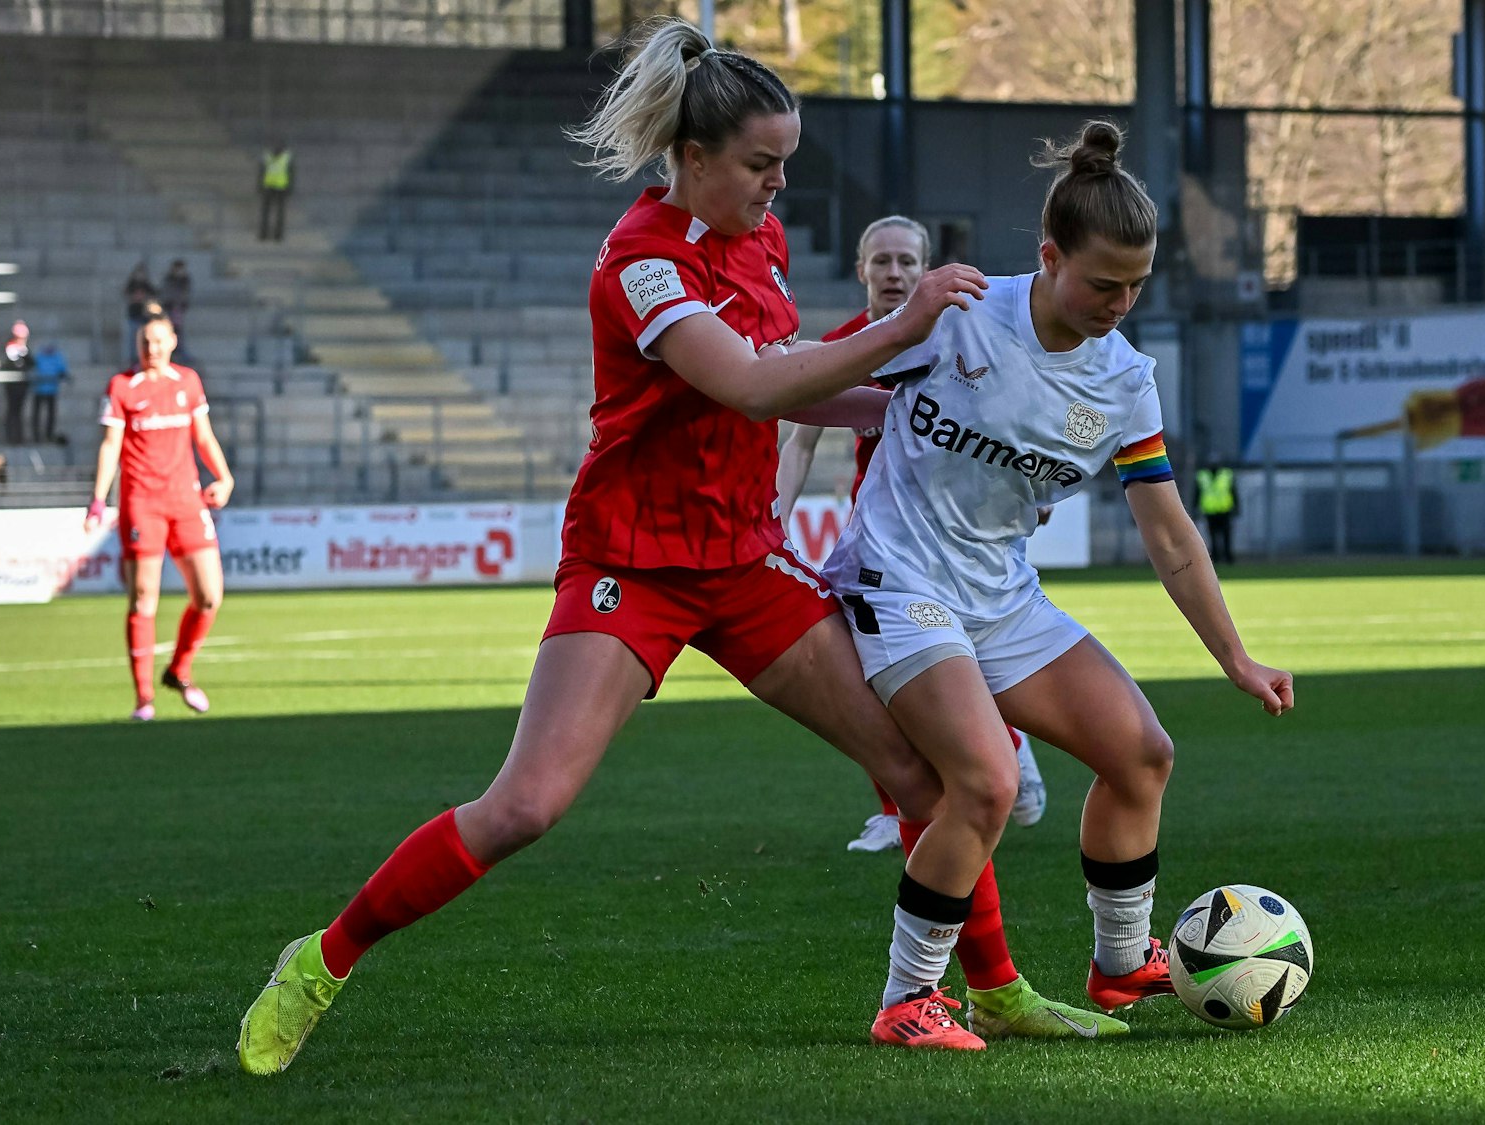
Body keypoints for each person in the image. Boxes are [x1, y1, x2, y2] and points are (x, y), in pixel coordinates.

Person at [234, 20, 1105, 1077]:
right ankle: (320, 962)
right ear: (691, 160)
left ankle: (989, 988)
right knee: (524, 807)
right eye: (758, 164)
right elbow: (745, 382)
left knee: (922, 772)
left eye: (784, 163)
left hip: (740, 560)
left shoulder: (759, 239)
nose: (778, 185)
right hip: (630, 564)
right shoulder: (639, 263)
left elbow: (789, 372)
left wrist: (910, 405)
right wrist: (904, 323)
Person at [824, 121, 1295, 1051]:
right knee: (987, 782)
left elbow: (1169, 532)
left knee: (1143, 753)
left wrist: (1235, 657)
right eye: (1102, 281)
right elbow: (808, 380)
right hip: (900, 576)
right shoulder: (958, 314)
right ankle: (908, 998)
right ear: (1047, 257)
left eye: (1137, 285)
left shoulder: (1126, 381)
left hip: (1000, 596)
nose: (1120, 302)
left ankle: (1121, 965)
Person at [775, 215, 1047, 855]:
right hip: (885, 544)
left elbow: (1009, 421)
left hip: (961, 534)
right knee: (872, 671)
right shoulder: (845, 344)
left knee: (963, 662)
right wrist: (776, 516)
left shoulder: (962, 335)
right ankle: (900, 808)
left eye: (906, 261)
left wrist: (1032, 487)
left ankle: (1008, 744)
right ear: (861, 270)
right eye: (882, 261)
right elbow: (801, 440)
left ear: (925, 270)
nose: (894, 273)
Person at [84, 311, 234, 722]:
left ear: (172, 341)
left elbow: (203, 436)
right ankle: (144, 699)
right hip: (143, 504)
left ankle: (179, 670)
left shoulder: (188, 382)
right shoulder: (122, 387)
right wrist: (99, 498)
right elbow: (110, 445)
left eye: (158, 341)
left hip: (187, 502)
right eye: (144, 342)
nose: (151, 349)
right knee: (144, 599)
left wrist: (223, 477)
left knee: (208, 597)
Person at [1196, 461, 1239, 564]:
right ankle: (1216, 557)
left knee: (1226, 535)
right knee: (1212, 536)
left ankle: (1228, 557)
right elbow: (1197, 493)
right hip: (1210, 511)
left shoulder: (1226, 474)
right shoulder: (1202, 476)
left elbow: (1233, 491)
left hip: (1225, 510)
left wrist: (1236, 506)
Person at [0, 319, 34, 444]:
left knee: (19, 412)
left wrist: (24, 354)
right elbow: (9, 364)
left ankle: (19, 437)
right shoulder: (9, 348)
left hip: (22, 385)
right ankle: (10, 437)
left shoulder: (25, 349)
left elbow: (32, 363)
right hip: (11, 385)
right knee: (11, 412)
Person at [30, 340, 71, 444]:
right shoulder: (39, 356)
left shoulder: (57, 357)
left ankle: (48, 435)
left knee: (50, 415)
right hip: (39, 390)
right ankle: (36, 435)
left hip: (51, 390)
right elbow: (33, 369)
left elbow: (62, 370)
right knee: (37, 414)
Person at [122, 263, 156, 364]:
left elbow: (154, 296)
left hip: (145, 317)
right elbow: (125, 296)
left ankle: (143, 357)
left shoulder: (147, 286)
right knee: (133, 339)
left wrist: (144, 298)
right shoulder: (131, 285)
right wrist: (134, 298)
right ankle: (133, 358)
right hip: (134, 315)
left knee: (146, 339)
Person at [258, 142, 293, 242]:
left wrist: (289, 188)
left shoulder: (286, 158)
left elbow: (291, 173)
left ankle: (278, 235)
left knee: (279, 213)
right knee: (266, 212)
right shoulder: (267, 157)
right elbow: (262, 171)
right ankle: (264, 233)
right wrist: (260, 186)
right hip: (268, 187)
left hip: (281, 188)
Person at [160, 259, 193, 347]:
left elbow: (185, 295)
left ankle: (180, 350)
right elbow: (167, 294)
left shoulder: (185, 281)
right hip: (170, 308)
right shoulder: (169, 280)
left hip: (179, 310)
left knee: (179, 331)